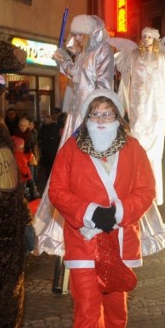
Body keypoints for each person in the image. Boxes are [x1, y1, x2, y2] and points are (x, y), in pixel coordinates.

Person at [48, 88, 155, 328]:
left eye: (108, 113)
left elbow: (146, 189)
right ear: (87, 118)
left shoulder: (134, 149)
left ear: (118, 117)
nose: (102, 119)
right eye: (96, 113)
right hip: (85, 241)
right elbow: (57, 190)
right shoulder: (71, 149)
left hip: (120, 241)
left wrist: (119, 212)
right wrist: (91, 212)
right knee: (87, 312)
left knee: (116, 308)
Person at [35, 14, 115, 256]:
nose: (77, 38)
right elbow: (76, 75)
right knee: (68, 166)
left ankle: (92, 215)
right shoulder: (82, 54)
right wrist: (64, 61)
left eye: (81, 34)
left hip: (91, 117)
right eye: (75, 34)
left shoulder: (103, 51)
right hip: (75, 118)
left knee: (88, 168)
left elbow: (102, 84)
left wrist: (95, 118)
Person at [119, 27, 165, 205]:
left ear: (155, 39)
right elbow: (123, 69)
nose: (145, 39)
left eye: (149, 36)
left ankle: (154, 193)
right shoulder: (134, 56)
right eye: (143, 36)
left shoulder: (162, 57)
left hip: (155, 112)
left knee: (154, 154)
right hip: (138, 110)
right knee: (137, 149)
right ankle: (135, 191)